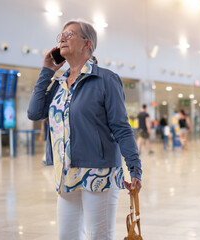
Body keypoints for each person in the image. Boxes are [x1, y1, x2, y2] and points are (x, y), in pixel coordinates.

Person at [27, 20, 142, 240]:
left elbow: (121, 127)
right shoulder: (60, 83)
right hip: (66, 171)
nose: (62, 38)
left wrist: (135, 169)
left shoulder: (106, 79)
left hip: (99, 172)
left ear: (87, 43)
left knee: (98, 236)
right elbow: (34, 113)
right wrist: (46, 72)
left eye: (69, 34)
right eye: (61, 35)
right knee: (67, 236)